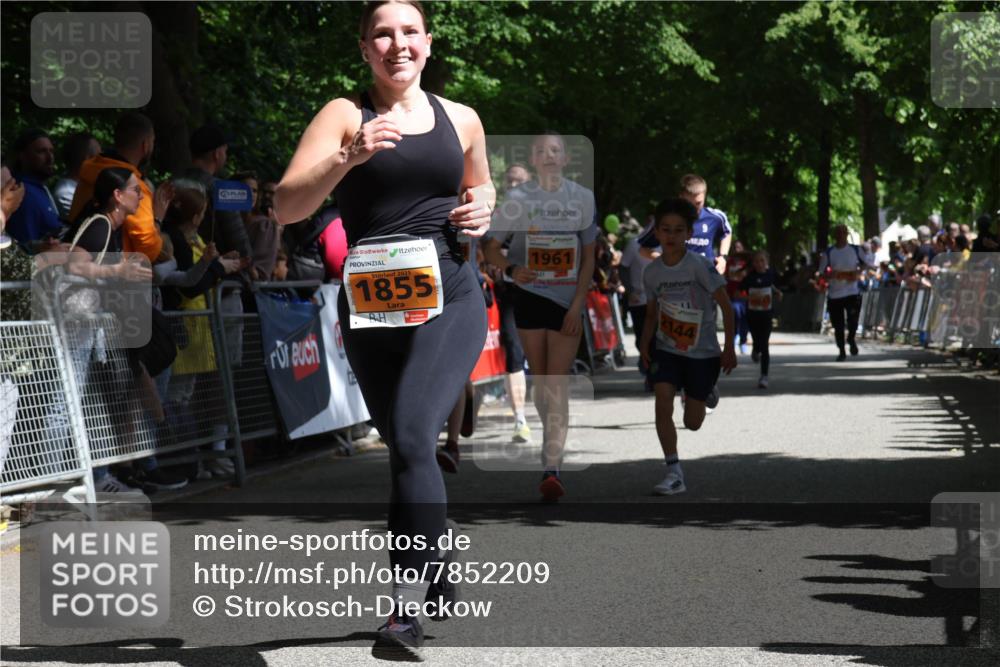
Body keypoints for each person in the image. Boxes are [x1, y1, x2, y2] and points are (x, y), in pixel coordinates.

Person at [273, 1, 493, 658]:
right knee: (407, 449)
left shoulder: (463, 119)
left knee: (409, 434)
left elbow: (478, 198)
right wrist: (348, 156)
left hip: (449, 293)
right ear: (365, 48)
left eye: (409, 32)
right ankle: (438, 556)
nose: (397, 44)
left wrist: (485, 210)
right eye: (382, 34)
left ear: (428, 42)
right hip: (371, 302)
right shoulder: (347, 114)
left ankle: (401, 614)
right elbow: (287, 204)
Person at [482, 132, 597, 502]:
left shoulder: (581, 198)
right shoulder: (517, 200)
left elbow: (590, 255)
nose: (549, 156)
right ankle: (551, 441)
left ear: (565, 159)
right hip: (530, 297)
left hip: (567, 302)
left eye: (555, 151)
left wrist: (578, 304)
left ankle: (552, 468)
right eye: (542, 151)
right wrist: (513, 270)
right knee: (541, 387)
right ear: (533, 159)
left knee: (556, 382)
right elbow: (490, 247)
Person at [61, 167, 155, 493]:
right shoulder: (101, 224)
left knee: (84, 403)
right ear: (117, 195)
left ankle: (92, 479)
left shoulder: (108, 225)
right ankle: (52, 484)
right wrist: (119, 270)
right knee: (66, 404)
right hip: (76, 326)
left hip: (87, 326)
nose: (140, 195)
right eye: (134, 190)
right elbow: (75, 264)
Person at [639, 198, 736, 495]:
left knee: (692, 423)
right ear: (657, 232)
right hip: (667, 349)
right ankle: (674, 471)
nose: (670, 236)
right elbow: (652, 313)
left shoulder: (700, 266)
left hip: (702, 352)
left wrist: (729, 348)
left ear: (688, 233)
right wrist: (644, 344)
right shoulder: (652, 272)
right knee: (662, 400)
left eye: (678, 230)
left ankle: (704, 392)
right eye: (665, 229)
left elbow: (727, 308)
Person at [70, 112, 169, 264]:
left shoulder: (90, 170)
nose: (139, 196)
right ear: (146, 144)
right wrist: (158, 219)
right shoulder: (133, 187)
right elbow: (148, 250)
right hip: (116, 275)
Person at [816, 224, 874, 361]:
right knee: (838, 324)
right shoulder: (829, 253)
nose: (841, 235)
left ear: (847, 234)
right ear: (834, 235)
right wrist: (829, 275)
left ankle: (851, 339)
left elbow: (866, 264)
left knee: (853, 319)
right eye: (838, 233)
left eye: (843, 233)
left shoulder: (855, 249)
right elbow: (820, 273)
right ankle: (841, 350)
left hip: (852, 291)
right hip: (835, 294)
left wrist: (858, 272)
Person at [5, 128, 61, 250]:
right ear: (22, 156)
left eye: (51, 151)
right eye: (41, 151)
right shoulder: (23, 193)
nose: (50, 157)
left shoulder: (38, 188)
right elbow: (25, 247)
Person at [741, 249, 782, 388]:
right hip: (752, 315)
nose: (759, 264)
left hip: (767, 315)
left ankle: (764, 375)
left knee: (764, 344)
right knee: (757, 340)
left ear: (767, 262)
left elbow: (773, 286)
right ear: (753, 263)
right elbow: (737, 293)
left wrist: (777, 293)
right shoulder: (749, 278)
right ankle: (755, 349)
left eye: (762, 261)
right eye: (757, 261)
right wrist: (749, 298)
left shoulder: (771, 275)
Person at [52, 132, 101, 221]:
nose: (102, 163)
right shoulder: (66, 193)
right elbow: (92, 223)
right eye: (98, 158)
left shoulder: (87, 186)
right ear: (87, 160)